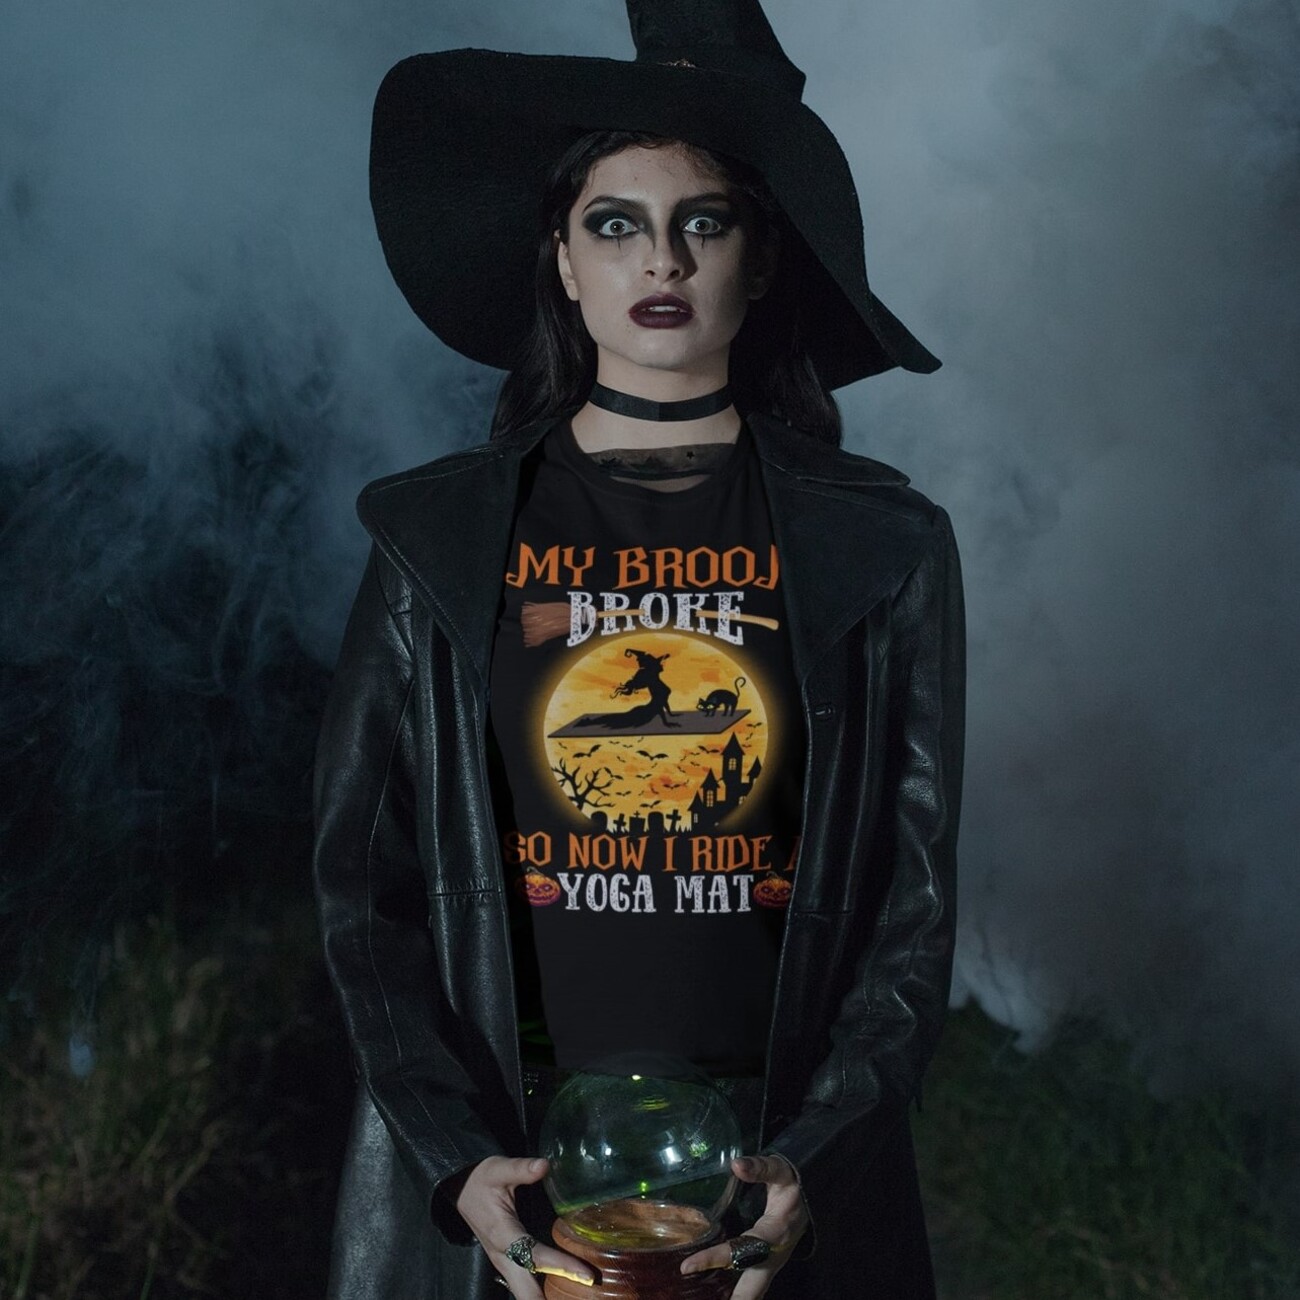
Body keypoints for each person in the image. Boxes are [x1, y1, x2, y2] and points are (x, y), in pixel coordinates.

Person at [312, 2, 965, 1297]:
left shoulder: (881, 543)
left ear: (759, 262)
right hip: (511, 1180)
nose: (660, 258)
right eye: (615, 225)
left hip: (769, 1179)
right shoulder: (438, 539)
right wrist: (454, 1159)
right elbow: (359, 890)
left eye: (702, 222)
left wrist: (814, 1159)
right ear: (561, 261)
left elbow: (915, 904)